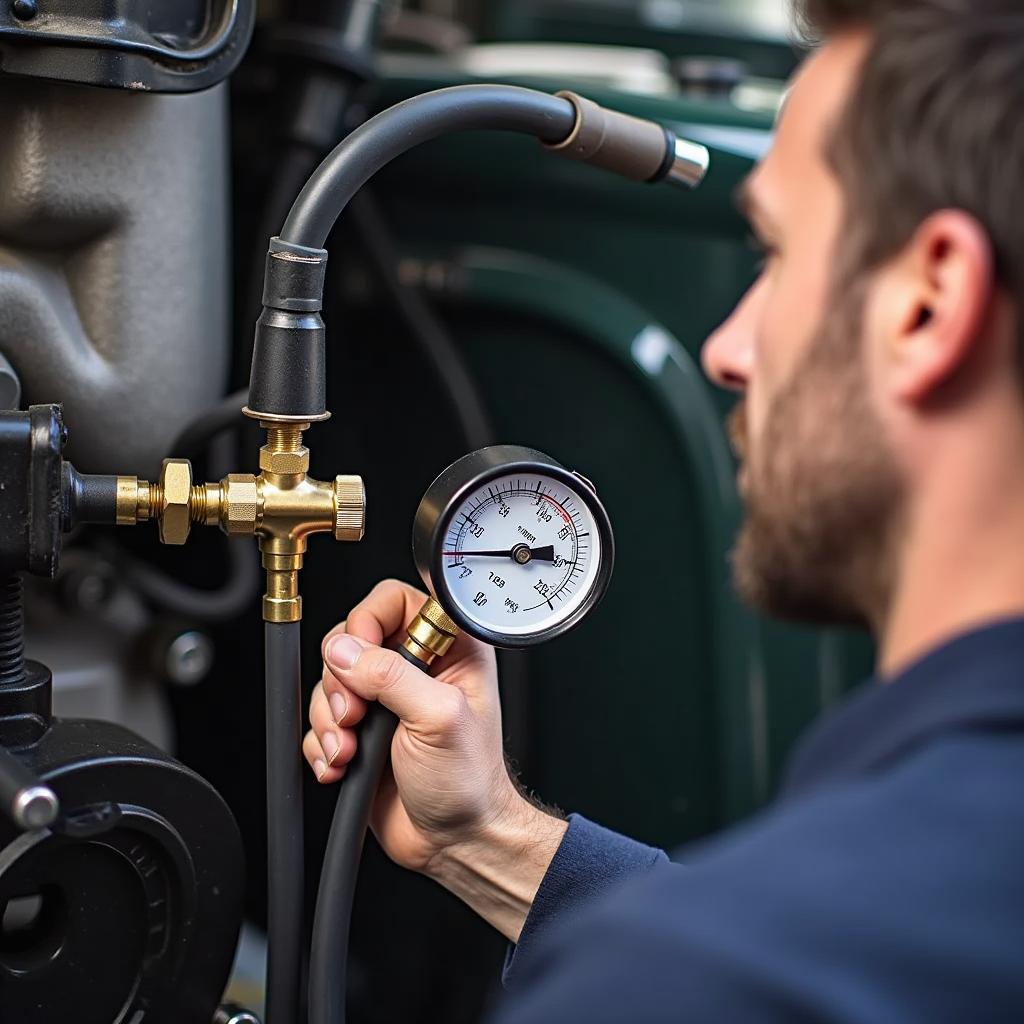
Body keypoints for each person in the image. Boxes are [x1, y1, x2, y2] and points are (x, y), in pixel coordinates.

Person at [303, 0, 1024, 1018]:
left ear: (928, 302)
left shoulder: (680, 985)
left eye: (774, 256)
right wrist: (489, 837)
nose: (729, 347)